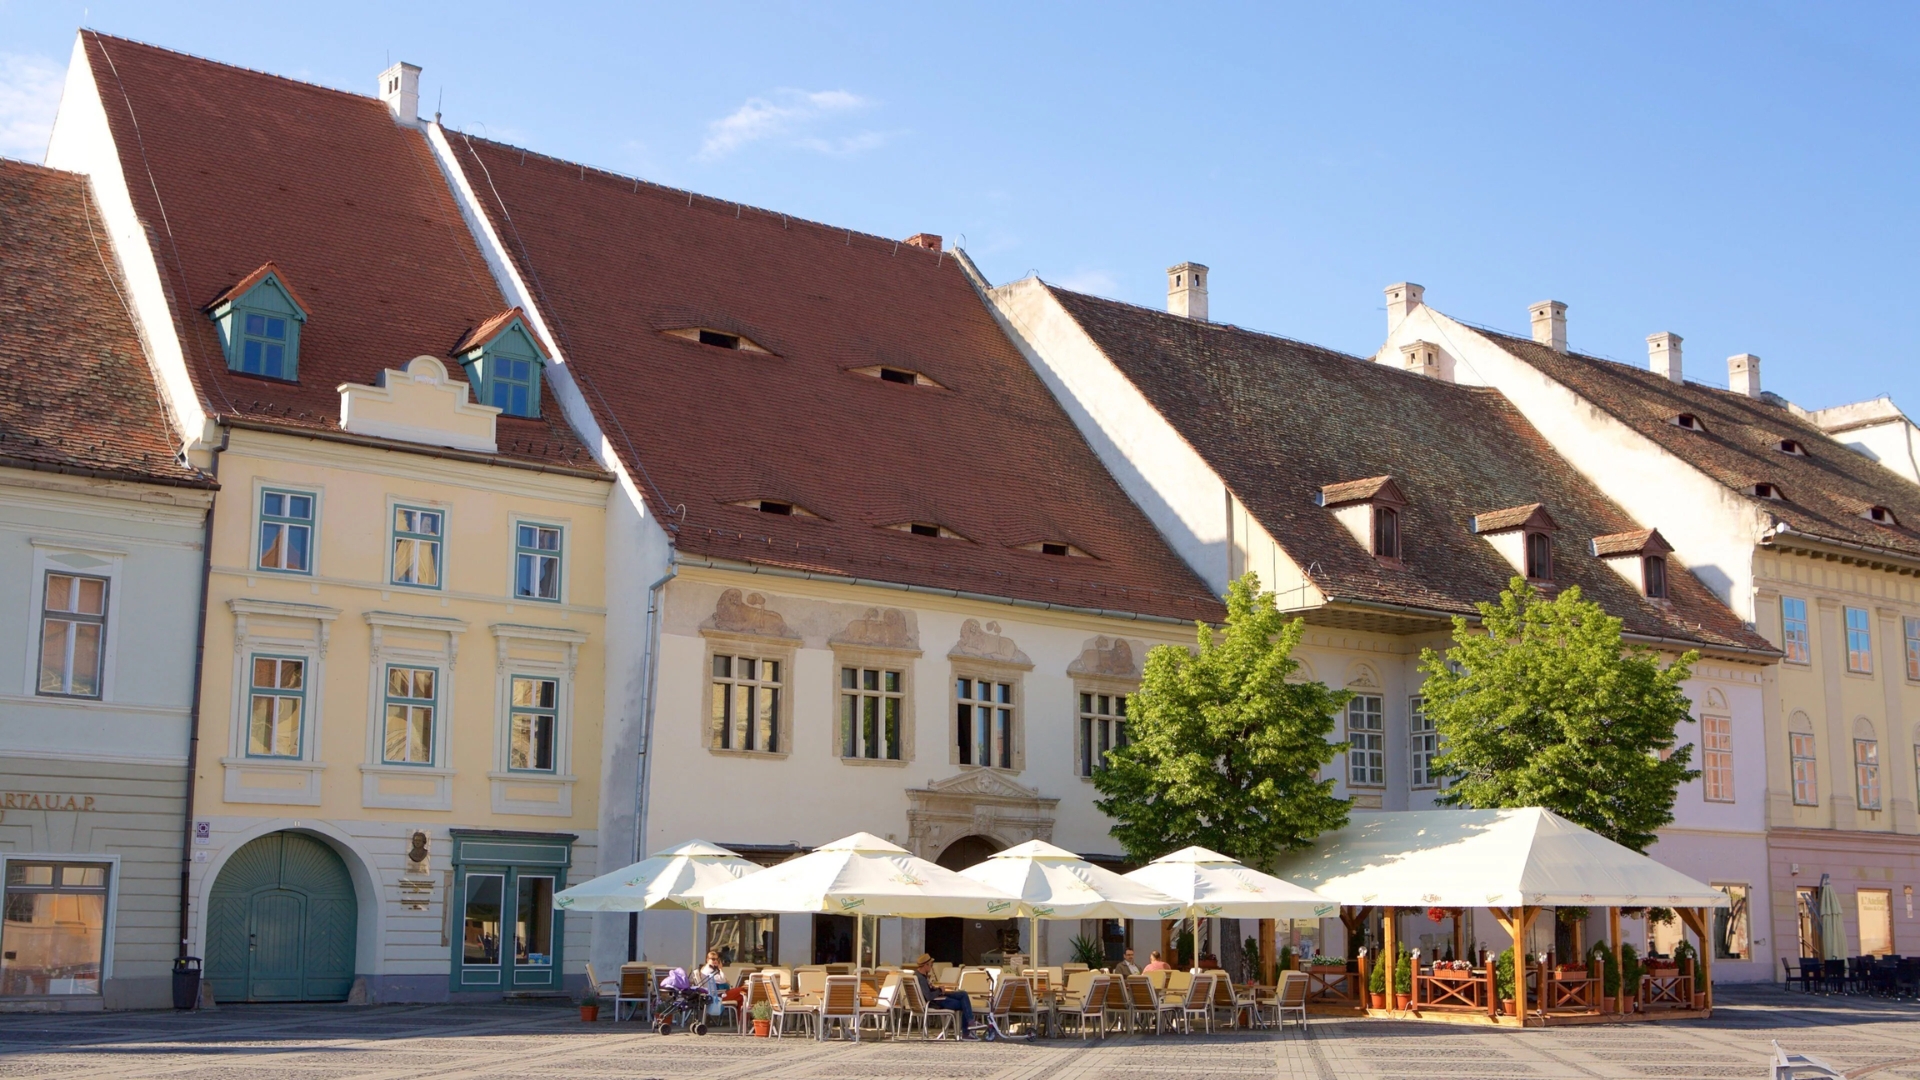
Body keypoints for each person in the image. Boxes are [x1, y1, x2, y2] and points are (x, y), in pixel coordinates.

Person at [912, 953, 977, 1038]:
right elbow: (929, 997)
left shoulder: (918, 975)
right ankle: (968, 1030)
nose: (931, 967)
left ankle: (970, 1026)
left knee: (963, 994)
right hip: (936, 1002)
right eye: (931, 965)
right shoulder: (921, 979)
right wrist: (939, 990)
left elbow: (927, 992)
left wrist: (936, 989)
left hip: (937, 999)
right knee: (964, 1004)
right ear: (925, 965)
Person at [694, 949, 730, 1018]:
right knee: (741, 993)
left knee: (740, 993)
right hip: (716, 995)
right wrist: (721, 969)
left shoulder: (710, 968)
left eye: (717, 959)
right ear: (707, 960)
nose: (715, 961)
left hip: (716, 993)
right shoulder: (708, 970)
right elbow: (723, 980)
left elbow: (723, 979)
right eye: (713, 959)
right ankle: (741, 1020)